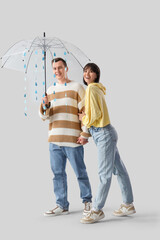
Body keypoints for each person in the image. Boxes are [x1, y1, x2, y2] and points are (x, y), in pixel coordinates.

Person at [78, 63, 136, 224]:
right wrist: (86, 130)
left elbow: (94, 115)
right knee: (119, 169)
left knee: (104, 174)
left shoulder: (91, 89)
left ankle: (97, 209)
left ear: (96, 74)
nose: (87, 74)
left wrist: (84, 119)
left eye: (91, 71)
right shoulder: (97, 89)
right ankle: (128, 204)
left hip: (103, 133)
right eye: (85, 71)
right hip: (106, 133)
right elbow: (95, 113)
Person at [39, 58, 92, 216]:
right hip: (54, 140)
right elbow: (45, 118)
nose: (57, 71)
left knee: (80, 173)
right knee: (57, 174)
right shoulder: (49, 90)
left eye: (60, 67)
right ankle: (61, 205)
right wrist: (45, 106)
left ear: (66, 68)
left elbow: (86, 113)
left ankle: (87, 201)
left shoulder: (77, 87)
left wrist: (84, 134)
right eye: (54, 68)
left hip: (73, 139)